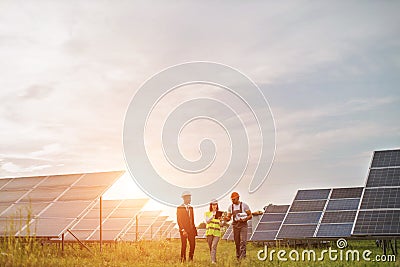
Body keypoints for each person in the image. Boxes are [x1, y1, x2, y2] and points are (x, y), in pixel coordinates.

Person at [224, 192, 252, 260]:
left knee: (243, 241)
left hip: (243, 225)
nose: (232, 201)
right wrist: (225, 219)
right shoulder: (230, 207)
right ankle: (238, 256)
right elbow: (229, 218)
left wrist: (245, 219)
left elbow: (250, 215)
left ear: (238, 198)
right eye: (232, 199)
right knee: (237, 242)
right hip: (235, 225)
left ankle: (243, 257)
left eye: (234, 199)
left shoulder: (244, 205)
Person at [176, 191, 197, 262]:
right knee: (184, 245)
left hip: (191, 230)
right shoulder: (179, 208)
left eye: (190, 197)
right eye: (189, 198)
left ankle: (190, 259)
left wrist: (194, 229)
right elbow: (179, 220)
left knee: (193, 245)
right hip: (183, 230)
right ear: (185, 198)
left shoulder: (191, 208)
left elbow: (192, 220)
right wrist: (183, 230)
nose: (190, 199)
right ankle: (183, 260)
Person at [204, 199, 223, 264]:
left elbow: (221, 225)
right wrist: (213, 216)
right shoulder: (207, 213)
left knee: (213, 246)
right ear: (211, 205)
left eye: (215, 204)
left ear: (217, 205)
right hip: (209, 232)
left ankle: (213, 261)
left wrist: (221, 221)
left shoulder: (220, 214)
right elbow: (207, 221)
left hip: (217, 233)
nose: (214, 206)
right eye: (213, 204)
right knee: (210, 247)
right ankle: (213, 259)